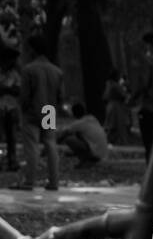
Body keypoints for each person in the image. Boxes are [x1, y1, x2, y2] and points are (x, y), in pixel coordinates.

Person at [16, 35, 61, 191]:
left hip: (33, 111)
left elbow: (25, 96)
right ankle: (54, 182)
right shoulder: (56, 71)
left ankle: (30, 181)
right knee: (50, 144)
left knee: (32, 147)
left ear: (32, 50)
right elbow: (59, 95)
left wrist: (23, 110)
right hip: (49, 110)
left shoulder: (29, 70)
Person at [130, 33, 153, 160]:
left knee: (150, 144)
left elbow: (143, 84)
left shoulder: (148, 61)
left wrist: (133, 99)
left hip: (150, 107)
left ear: (148, 45)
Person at [57, 102, 108, 168]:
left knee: (69, 139)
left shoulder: (79, 123)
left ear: (73, 113)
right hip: (103, 153)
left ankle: (87, 161)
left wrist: (52, 146)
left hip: (95, 154)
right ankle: (87, 158)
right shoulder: (92, 118)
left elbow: (64, 134)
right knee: (78, 135)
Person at [0, 50, 20, 172]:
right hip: (1, 108)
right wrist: (9, 89)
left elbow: (18, 91)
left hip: (11, 108)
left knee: (11, 137)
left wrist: (5, 89)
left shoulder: (15, 74)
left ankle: (12, 161)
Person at [102, 69, 131, 145]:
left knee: (111, 125)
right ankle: (116, 141)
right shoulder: (114, 85)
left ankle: (111, 141)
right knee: (115, 125)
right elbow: (123, 95)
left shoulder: (109, 84)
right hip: (116, 107)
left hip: (111, 106)